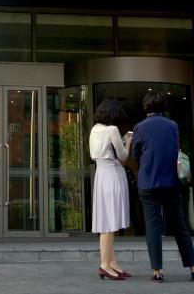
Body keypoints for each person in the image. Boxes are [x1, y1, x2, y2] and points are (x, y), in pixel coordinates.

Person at [131, 91, 194, 282]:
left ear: (145, 107)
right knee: (180, 225)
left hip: (149, 182)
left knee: (153, 226)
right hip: (172, 181)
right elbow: (175, 148)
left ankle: (157, 270)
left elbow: (135, 154)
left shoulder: (139, 127)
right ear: (163, 107)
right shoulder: (172, 125)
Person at [89, 98, 132, 280]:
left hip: (101, 175)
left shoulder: (94, 129)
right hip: (113, 175)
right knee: (109, 223)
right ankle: (105, 265)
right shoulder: (112, 129)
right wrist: (127, 141)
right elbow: (123, 156)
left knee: (106, 220)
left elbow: (95, 154)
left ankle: (111, 262)